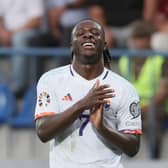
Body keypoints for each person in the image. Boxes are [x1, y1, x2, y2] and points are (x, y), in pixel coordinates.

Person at [35, 19, 142, 168]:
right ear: (72, 45)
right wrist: (82, 104)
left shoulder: (124, 88)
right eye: (80, 34)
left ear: (104, 45)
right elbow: (43, 132)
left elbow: (133, 148)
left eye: (95, 33)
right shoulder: (51, 80)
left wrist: (102, 128)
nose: (88, 36)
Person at [119, 20, 167, 158]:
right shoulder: (125, 59)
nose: (138, 42)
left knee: (151, 120)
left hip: (155, 106)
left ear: (149, 39)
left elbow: (163, 92)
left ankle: (154, 158)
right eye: (136, 38)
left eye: (142, 38)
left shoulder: (160, 59)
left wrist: (143, 107)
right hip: (132, 106)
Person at [0, 0, 44, 97]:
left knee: (18, 39)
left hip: (28, 32)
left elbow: (36, 20)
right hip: (8, 33)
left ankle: (18, 86)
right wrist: (3, 33)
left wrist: (12, 34)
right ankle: (3, 86)